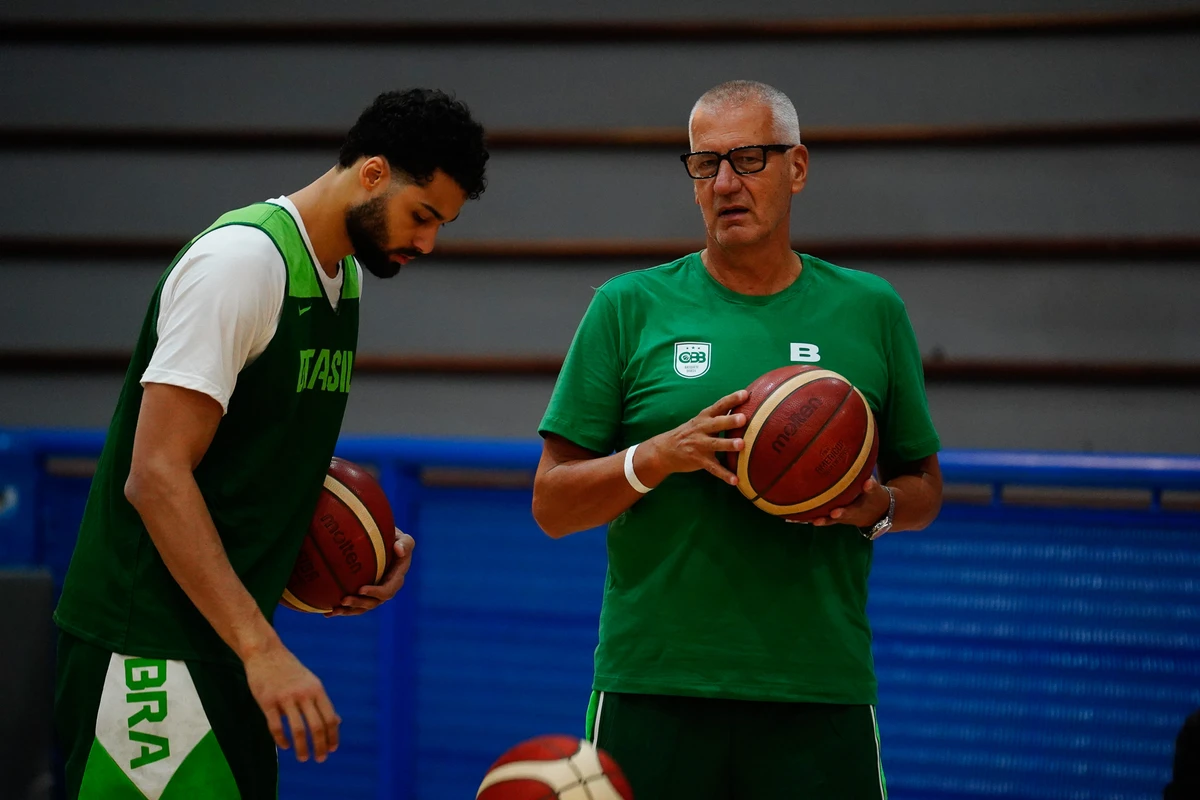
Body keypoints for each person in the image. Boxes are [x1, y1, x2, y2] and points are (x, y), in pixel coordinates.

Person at [52, 88, 488, 799]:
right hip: (149, 647)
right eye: (422, 216)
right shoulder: (242, 264)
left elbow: (253, 458)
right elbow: (156, 474)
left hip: (223, 643)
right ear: (373, 173)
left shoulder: (343, 279)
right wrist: (262, 647)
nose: (427, 244)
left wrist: (363, 541)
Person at [532, 80, 943, 799]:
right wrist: (657, 456)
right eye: (705, 164)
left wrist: (874, 506)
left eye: (749, 159)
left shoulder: (871, 309)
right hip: (655, 684)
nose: (725, 183)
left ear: (797, 167)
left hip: (818, 686)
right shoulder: (628, 306)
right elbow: (552, 505)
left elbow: (924, 489)